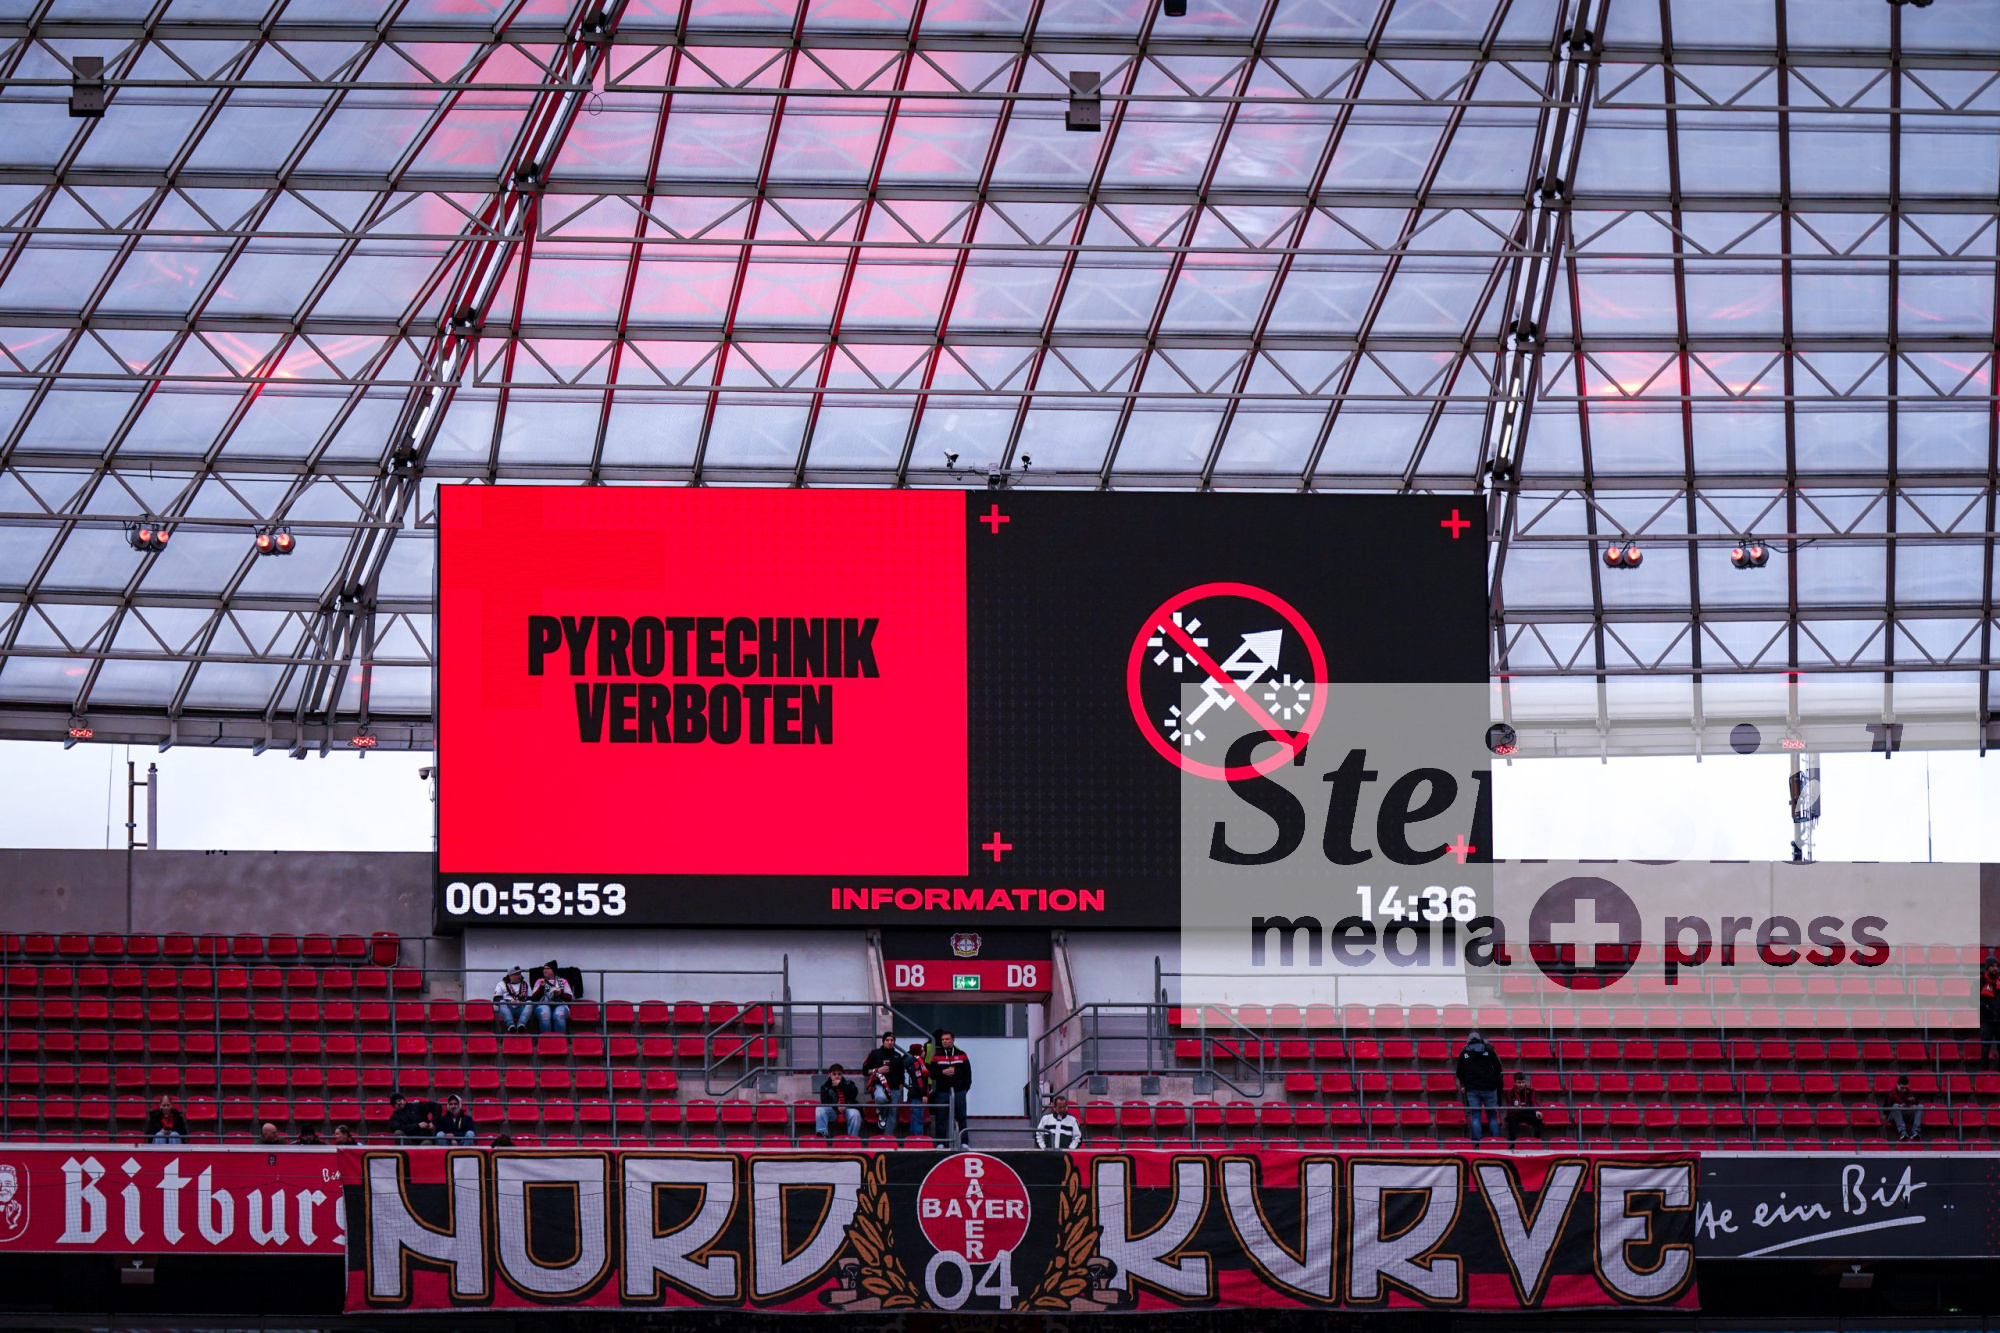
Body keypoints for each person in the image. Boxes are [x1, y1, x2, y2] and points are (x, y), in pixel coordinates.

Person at [1455, 1030, 1504, 1145]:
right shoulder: (1489, 1050)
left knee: (1475, 1115)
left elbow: (1459, 1073)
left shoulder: (1464, 1053)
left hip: (1472, 1088)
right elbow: (1498, 1068)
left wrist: (1467, 1082)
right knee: (1492, 1116)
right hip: (1489, 1087)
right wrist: (1492, 1079)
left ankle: (1477, 1143)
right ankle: (1496, 1143)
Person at [929, 1030, 973, 1147]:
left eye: (947, 1039)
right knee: (941, 1117)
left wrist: (965, 1089)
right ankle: (940, 1143)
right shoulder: (937, 1056)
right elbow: (931, 1073)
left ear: (953, 1040)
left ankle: (964, 1142)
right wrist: (942, 1072)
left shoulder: (962, 1054)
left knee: (961, 1117)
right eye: (943, 1039)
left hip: (959, 1091)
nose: (945, 1041)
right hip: (942, 1091)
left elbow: (968, 1073)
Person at [860, 1031, 906, 1135]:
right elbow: (865, 1070)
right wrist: (877, 1070)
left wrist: (901, 1086)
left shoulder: (898, 1056)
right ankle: (882, 1113)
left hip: (894, 1088)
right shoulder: (875, 1053)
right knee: (881, 1099)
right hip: (879, 1085)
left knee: (893, 1114)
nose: (890, 1042)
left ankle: (887, 1138)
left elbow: (901, 1073)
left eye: (892, 1040)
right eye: (887, 1040)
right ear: (883, 1041)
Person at [815, 1064, 861, 1138]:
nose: (836, 1076)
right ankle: (822, 1133)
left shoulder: (849, 1083)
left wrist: (840, 1085)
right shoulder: (825, 1086)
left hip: (847, 1109)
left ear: (842, 1075)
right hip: (833, 1111)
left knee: (855, 1113)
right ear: (830, 1075)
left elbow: (853, 1094)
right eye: (834, 1074)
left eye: (839, 1074)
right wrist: (837, 1106)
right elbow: (825, 1101)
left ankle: (853, 1138)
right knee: (819, 1108)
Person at [530, 963, 574, 1035]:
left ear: (553, 970)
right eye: (544, 969)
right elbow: (534, 998)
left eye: (547, 968)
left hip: (561, 1004)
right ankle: (545, 1039)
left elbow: (570, 997)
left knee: (559, 1015)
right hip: (543, 1004)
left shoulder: (563, 981)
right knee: (545, 1015)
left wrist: (560, 993)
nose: (545, 970)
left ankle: (560, 1039)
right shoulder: (540, 981)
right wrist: (541, 987)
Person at [1503, 1072, 1544, 1143]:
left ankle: (1537, 1142)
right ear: (1514, 1083)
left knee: (1538, 1118)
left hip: (1526, 1112)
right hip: (1516, 1113)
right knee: (1511, 1118)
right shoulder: (1510, 1093)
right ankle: (1513, 1143)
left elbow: (1534, 1102)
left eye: (1523, 1082)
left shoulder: (1530, 1091)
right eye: (1519, 1082)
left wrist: (1537, 1111)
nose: (1521, 1084)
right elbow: (1509, 1106)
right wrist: (1514, 1110)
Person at [904, 1040, 932, 1138]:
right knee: (918, 1118)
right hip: (917, 1094)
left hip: (915, 1093)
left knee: (915, 1118)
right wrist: (923, 1094)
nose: (924, 1052)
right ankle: (918, 1140)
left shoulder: (916, 1062)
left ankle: (913, 1139)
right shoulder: (916, 1063)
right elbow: (918, 1079)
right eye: (922, 1050)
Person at [492, 966, 532, 1034]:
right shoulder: (501, 984)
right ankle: (511, 1026)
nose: (519, 976)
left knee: (530, 1002)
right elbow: (496, 999)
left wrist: (521, 1001)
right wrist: (509, 1001)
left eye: (520, 974)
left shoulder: (525, 984)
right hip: (508, 1008)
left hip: (521, 1007)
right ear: (510, 976)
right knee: (502, 1002)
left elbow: (530, 998)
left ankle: (521, 1025)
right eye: (517, 974)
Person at [1885, 1075, 1923, 1141]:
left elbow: (1916, 1104)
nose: (1904, 1090)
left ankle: (1916, 1132)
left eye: (1906, 1088)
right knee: (1895, 1106)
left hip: (1907, 1113)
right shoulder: (1891, 1095)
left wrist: (1913, 1106)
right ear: (1897, 1085)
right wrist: (1899, 1106)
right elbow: (1885, 1111)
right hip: (1895, 1115)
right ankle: (1903, 1133)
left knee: (1920, 1107)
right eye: (1902, 1088)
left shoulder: (1911, 1093)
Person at [1980, 957, 2000, 1071]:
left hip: (1999, 1021)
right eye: (1992, 966)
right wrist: (1984, 1006)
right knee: (1985, 1049)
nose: (1995, 968)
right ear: (1987, 968)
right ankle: (1985, 1073)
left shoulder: (1999, 982)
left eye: (1996, 966)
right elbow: (1972, 1001)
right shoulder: (1980, 982)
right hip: (1986, 1021)